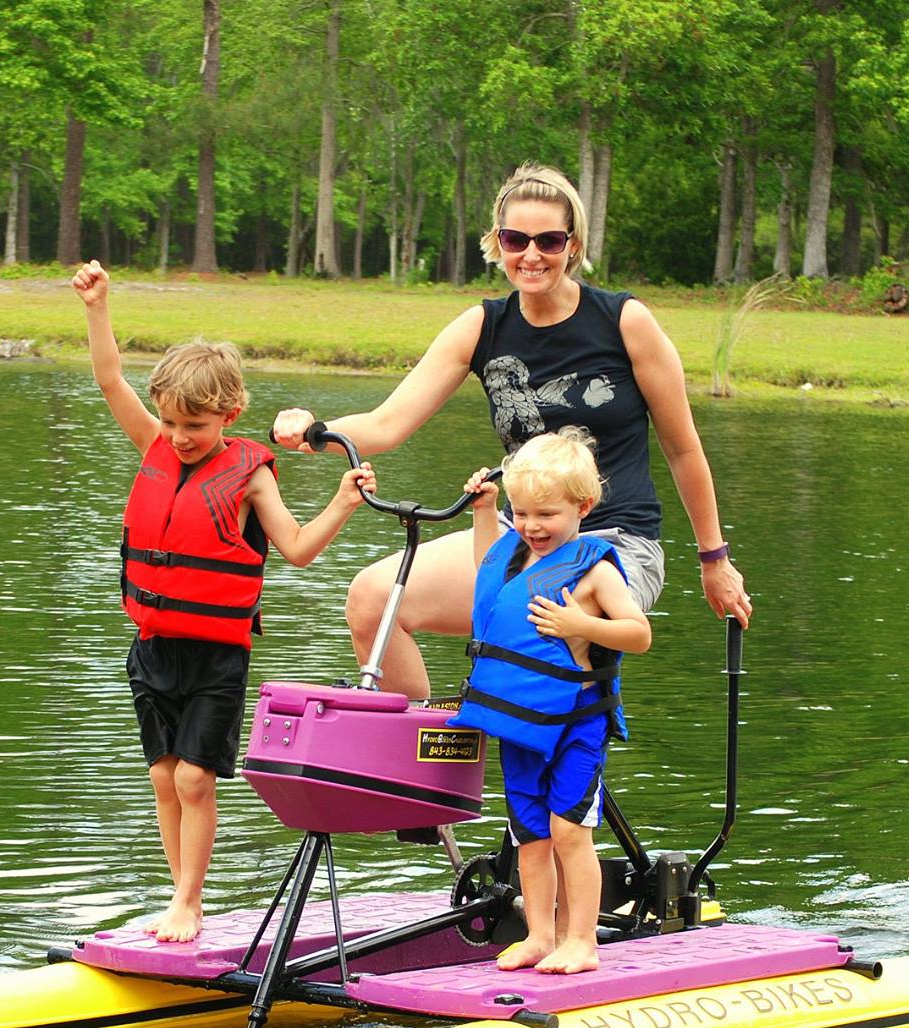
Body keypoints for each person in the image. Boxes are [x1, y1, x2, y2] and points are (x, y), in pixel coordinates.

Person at [271, 162, 752, 702]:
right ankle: (429, 764)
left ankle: (567, 771)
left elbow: (683, 449)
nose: (531, 255)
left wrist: (714, 560)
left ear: (572, 245)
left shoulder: (624, 321)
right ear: (497, 244)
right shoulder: (484, 326)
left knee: (531, 615)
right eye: (515, 239)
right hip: (518, 533)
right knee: (372, 597)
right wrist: (314, 429)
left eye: (548, 240)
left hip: (614, 541)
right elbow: (386, 423)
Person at [74, 260, 377, 943]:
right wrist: (98, 307)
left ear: (230, 415)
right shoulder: (154, 441)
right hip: (152, 646)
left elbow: (296, 549)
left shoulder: (248, 475)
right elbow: (108, 378)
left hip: (215, 655)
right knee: (161, 776)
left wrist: (341, 500)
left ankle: (190, 901)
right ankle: (176, 895)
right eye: (173, 421)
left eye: (196, 425)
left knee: (194, 780)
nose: (180, 436)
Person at [454, 430, 650, 974]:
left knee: (568, 829)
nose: (532, 526)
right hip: (520, 725)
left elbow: (638, 633)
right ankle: (540, 934)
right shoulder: (515, 550)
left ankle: (581, 940)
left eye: (546, 514)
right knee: (529, 834)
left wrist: (580, 624)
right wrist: (485, 512)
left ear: (583, 507)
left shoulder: (595, 568)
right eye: (521, 512)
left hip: (576, 725)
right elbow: (487, 573)